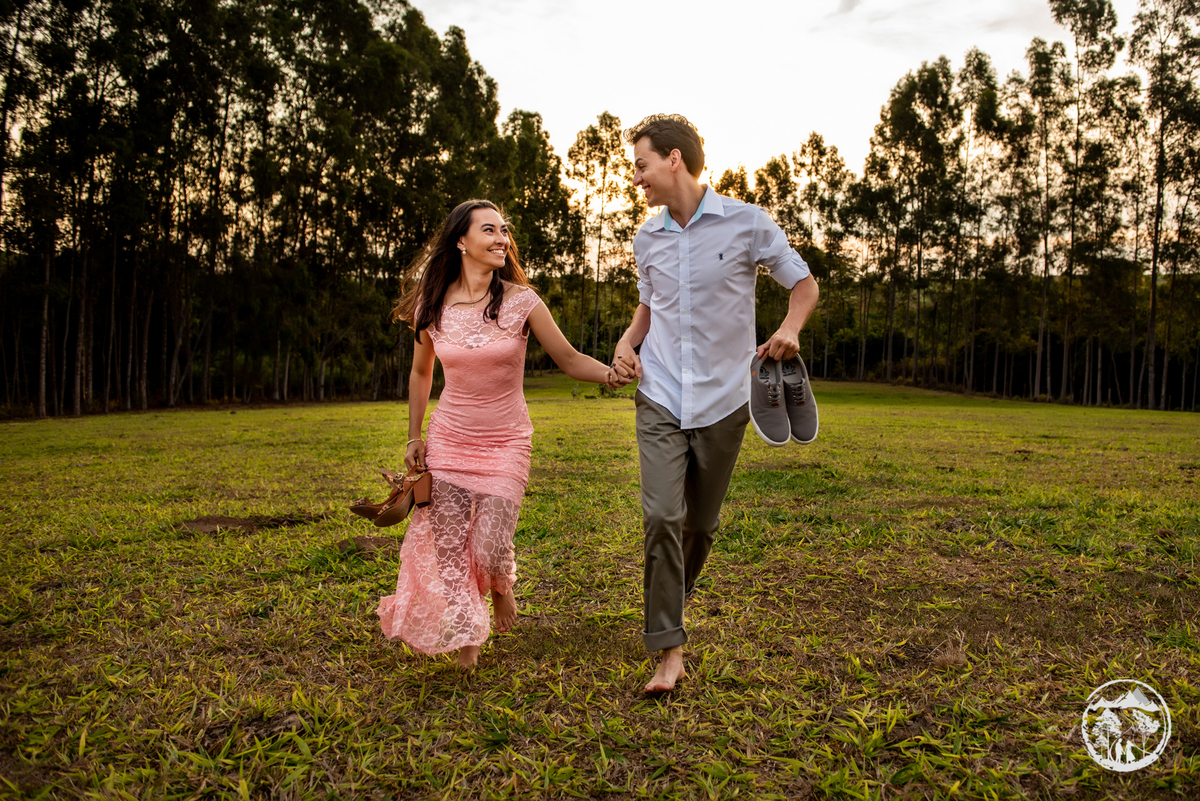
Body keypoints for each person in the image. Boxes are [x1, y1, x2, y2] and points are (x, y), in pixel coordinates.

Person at [611, 115, 819, 693]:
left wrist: (790, 328)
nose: (637, 178)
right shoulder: (646, 238)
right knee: (662, 516)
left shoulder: (747, 222)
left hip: (727, 398)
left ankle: (668, 602)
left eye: (642, 165)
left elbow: (804, 285)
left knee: (699, 526)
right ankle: (669, 649)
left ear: (673, 159)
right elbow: (648, 307)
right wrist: (627, 344)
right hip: (659, 393)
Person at [377, 199, 624, 667]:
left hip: (506, 441)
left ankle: (500, 584)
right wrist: (414, 435)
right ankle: (468, 640)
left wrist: (611, 375)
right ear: (461, 241)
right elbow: (420, 372)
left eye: (504, 231)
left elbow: (569, 359)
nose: (501, 239)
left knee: (489, 547)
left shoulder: (522, 301)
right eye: (489, 230)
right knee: (449, 549)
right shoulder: (432, 307)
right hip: (449, 439)